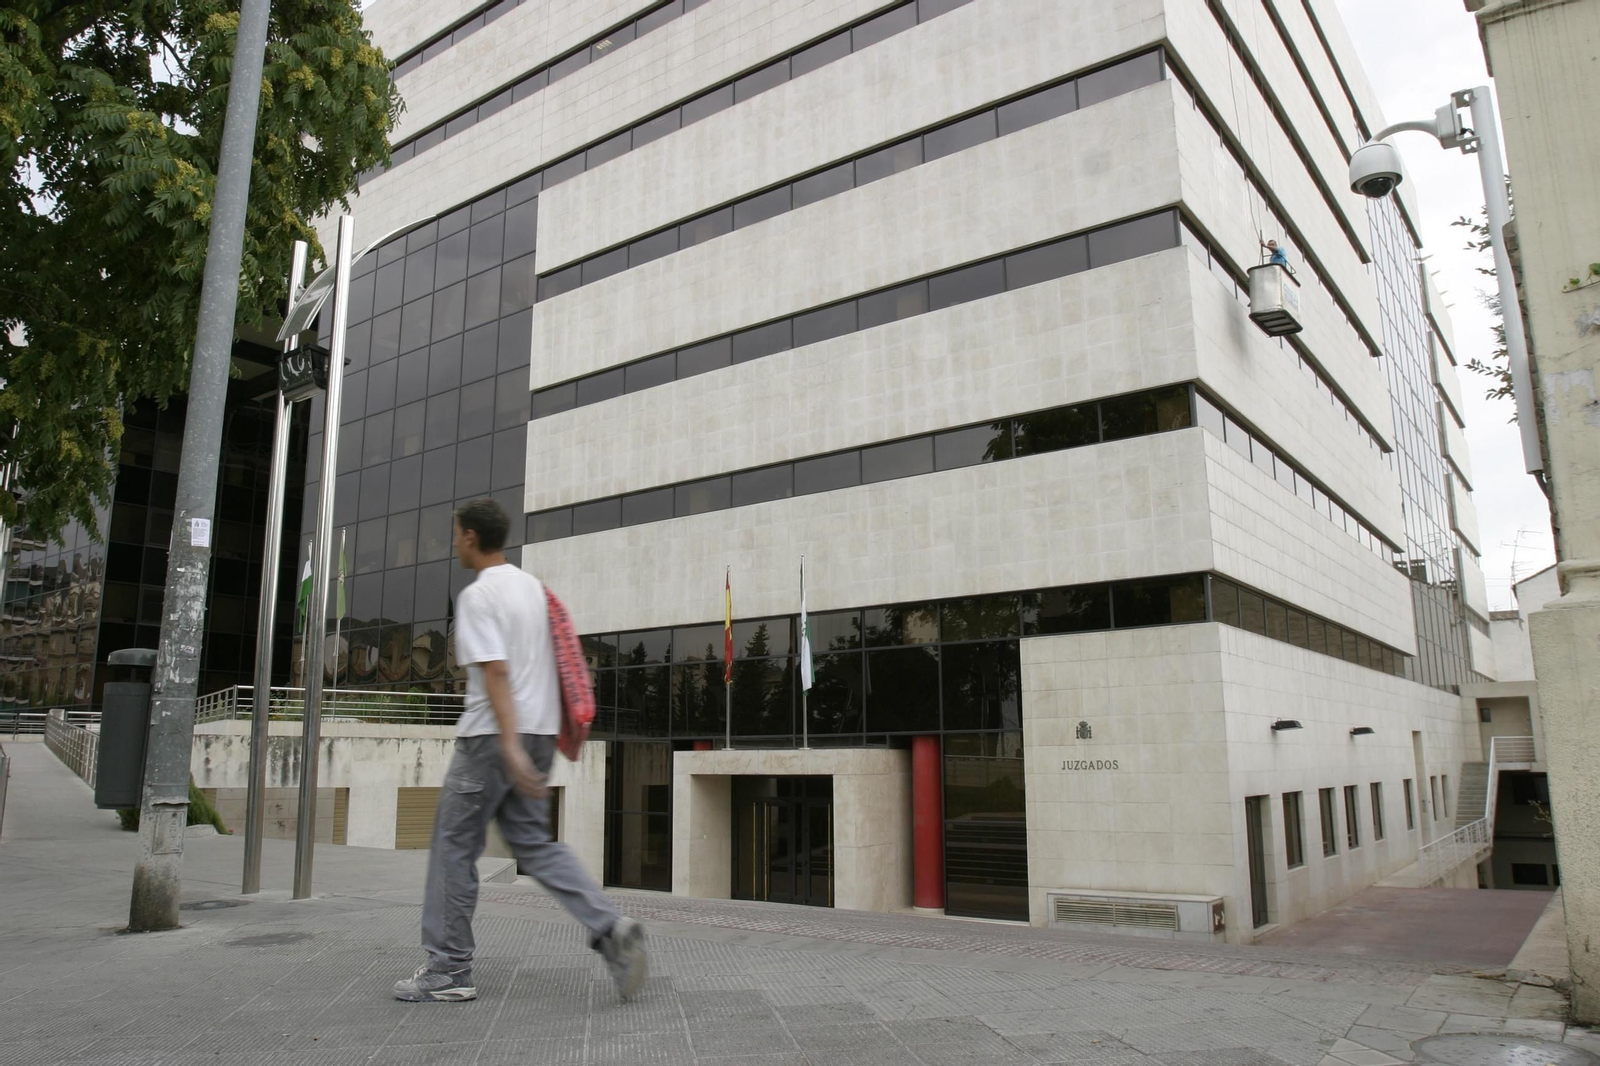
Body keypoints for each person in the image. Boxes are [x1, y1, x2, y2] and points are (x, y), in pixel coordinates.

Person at [393, 497, 647, 1003]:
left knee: (452, 847)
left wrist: (507, 744)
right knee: (534, 844)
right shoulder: (534, 589)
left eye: (456, 534)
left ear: (470, 536)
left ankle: (448, 969)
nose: (454, 542)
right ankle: (609, 926)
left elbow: (496, 672)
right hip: (541, 732)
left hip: (492, 737)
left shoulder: (478, 595)